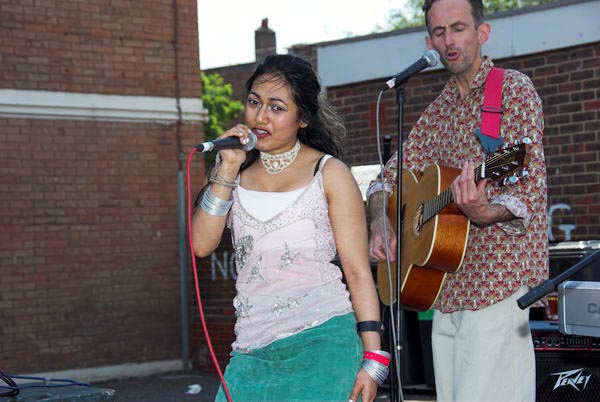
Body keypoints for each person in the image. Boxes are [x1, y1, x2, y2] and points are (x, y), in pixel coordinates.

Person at [367, 0, 548, 401]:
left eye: (459, 28)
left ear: (482, 33)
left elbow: (528, 186)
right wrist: (381, 221)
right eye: (439, 32)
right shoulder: (437, 111)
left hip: (496, 280)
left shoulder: (512, 90)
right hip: (444, 284)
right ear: (428, 40)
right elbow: (385, 180)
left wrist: (486, 211)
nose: (449, 41)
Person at [192, 54, 387, 402]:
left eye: (277, 107)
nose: (260, 116)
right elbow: (202, 245)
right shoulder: (233, 173)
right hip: (250, 349)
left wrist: (374, 359)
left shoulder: (329, 173)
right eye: (254, 102)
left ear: (302, 119)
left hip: (323, 341)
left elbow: (357, 271)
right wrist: (225, 170)